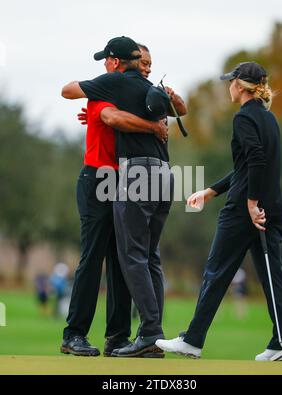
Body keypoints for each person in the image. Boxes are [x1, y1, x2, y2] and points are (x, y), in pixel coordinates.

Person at [156, 62, 282, 362]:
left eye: (231, 82)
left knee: (216, 272)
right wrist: (211, 191)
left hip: (245, 210)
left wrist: (250, 203)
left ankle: (192, 341)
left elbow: (256, 160)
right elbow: (247, 167)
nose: (228, 86)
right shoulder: (268, 119)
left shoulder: (244, 118)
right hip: (270, 207)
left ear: (240, 86)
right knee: (273, 276)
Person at [62, 36, 187, 358]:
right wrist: (152, 127)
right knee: (93, 258)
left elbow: (179, 109)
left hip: (126, 179)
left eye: (148, 64)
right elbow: (110, 118)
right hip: (98, 177)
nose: (146, 69)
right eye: (142, 63)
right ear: (127, 63)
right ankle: (74, 334)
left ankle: (117, 337)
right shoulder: (106, 88)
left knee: (124, 260)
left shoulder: (138, 92)